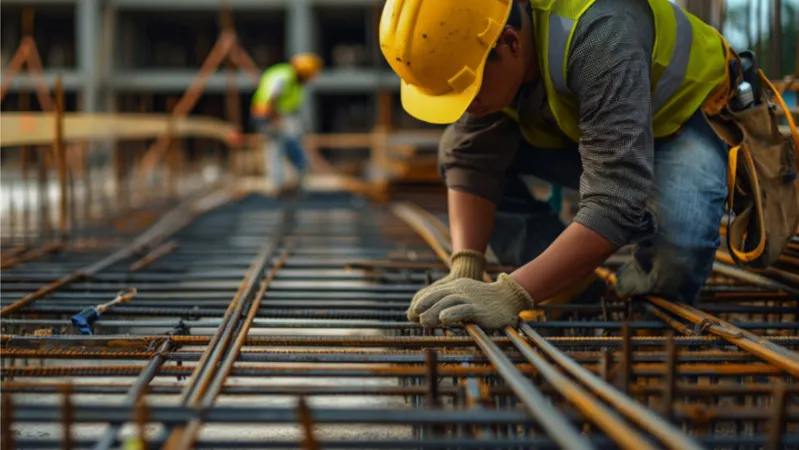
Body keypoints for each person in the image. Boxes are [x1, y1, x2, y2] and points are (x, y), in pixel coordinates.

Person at [379, 0, 738, 330]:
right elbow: (471, 155)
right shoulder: (486, 31)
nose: (464, 106)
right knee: (454, 149)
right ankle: (573, 285)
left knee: (680, 253)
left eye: (468, 90)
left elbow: (616, 200)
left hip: (676, 120)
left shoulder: (599, 32)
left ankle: (644, 320)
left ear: (512, 44)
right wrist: (466, 266)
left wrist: (511, 293)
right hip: (590, 124)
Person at [251, 53, 323, 193]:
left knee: (279, 147)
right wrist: (275, 119)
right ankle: (282, 183)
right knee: (278, 147)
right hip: (269, 114)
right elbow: (272, 97)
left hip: (278, 114)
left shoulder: (293, 79)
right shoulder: (284, 76)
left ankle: (287, 181)